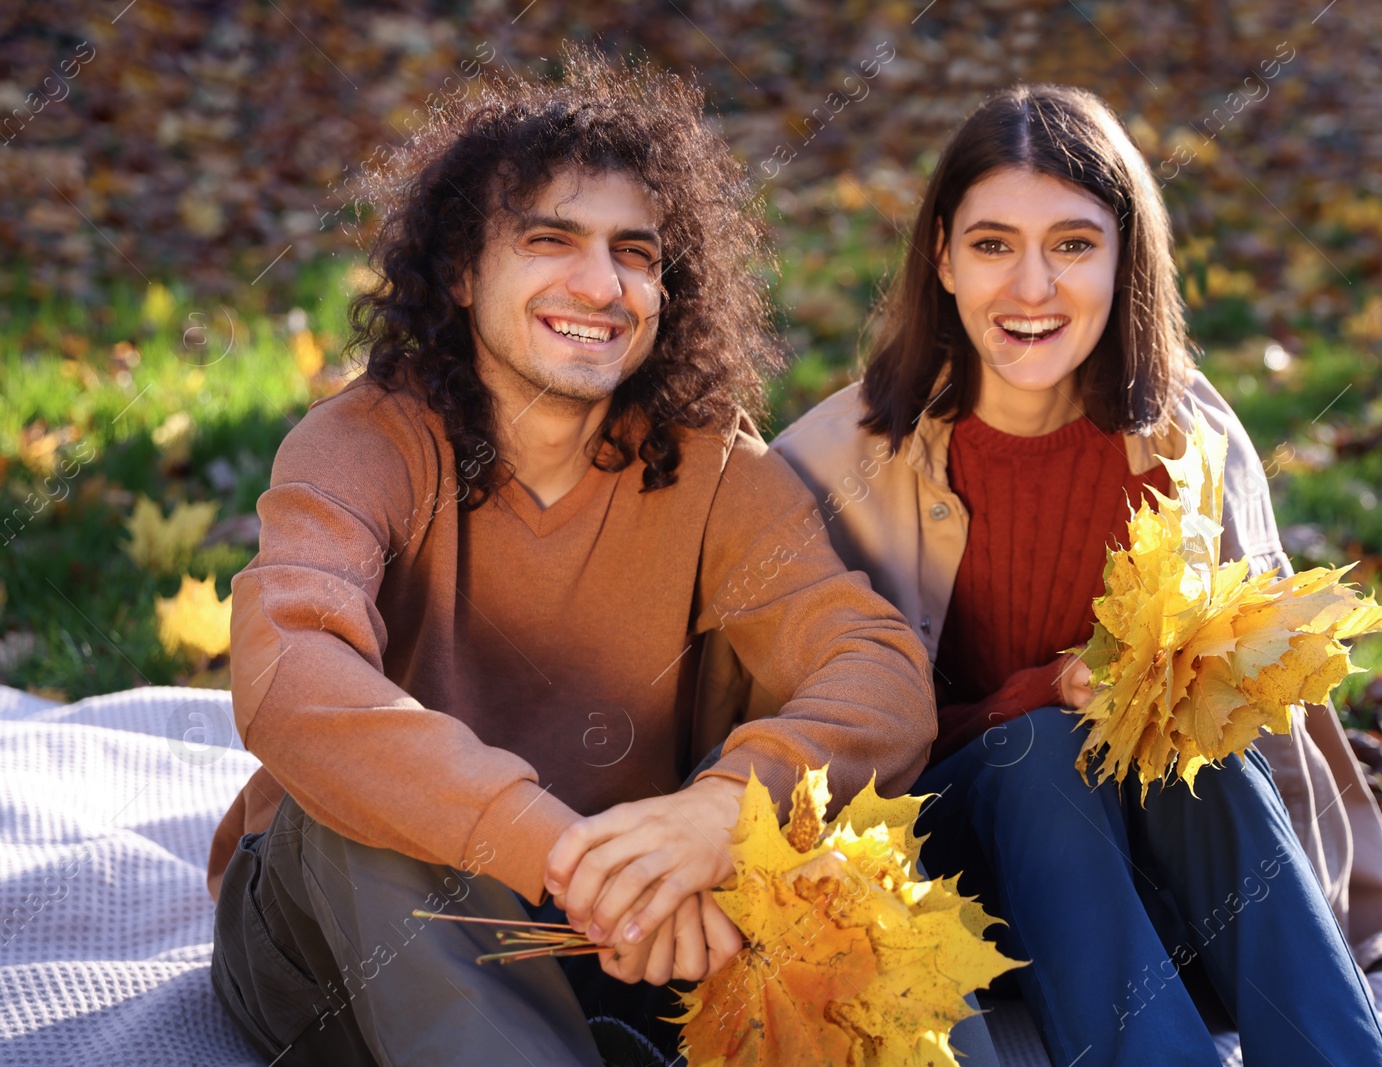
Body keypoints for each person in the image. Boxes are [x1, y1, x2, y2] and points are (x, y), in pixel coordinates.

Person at [203, 50, 990, 1067]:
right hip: (335, 943)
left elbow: (875, 670)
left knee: (836, 876)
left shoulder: (711, 467)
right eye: (549, 239)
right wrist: (558, 848)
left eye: (633, 250)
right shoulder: (364, 444)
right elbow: (289, 674)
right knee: (353, 805)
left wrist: (719, 812)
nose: (600, 282)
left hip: (622, 932)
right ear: (460, 270)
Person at [702, 85, 1382, 1065]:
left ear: (1124, 257)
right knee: (1040, 750)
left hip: (1162, 896)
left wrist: (1332, 897)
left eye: (1073, 245)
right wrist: (1036, 697)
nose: (1031, 287)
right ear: (943, 258)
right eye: (993, 244)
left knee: (1187, 736)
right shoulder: (830, 466)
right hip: (940, 891)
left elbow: (1269, 716)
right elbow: (800, 766)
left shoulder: (1187, 437)